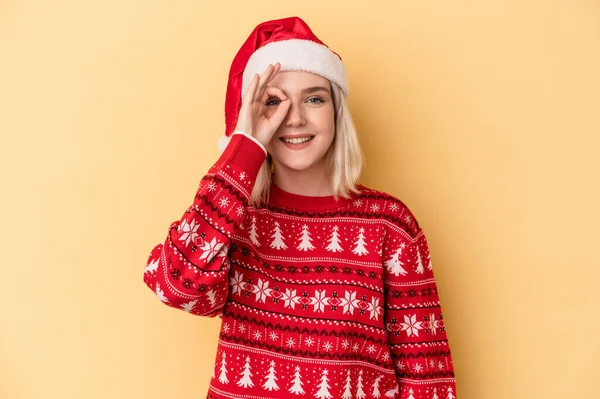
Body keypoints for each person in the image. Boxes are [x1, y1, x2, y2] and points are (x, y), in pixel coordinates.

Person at [143, 16, 457, 399]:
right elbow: (176, 285)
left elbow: (427, 376)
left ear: (336, 111)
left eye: (314, 98)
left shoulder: (389, 224)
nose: (294, 118)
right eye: (273, 102)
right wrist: (243, 150)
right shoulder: (235, 220)